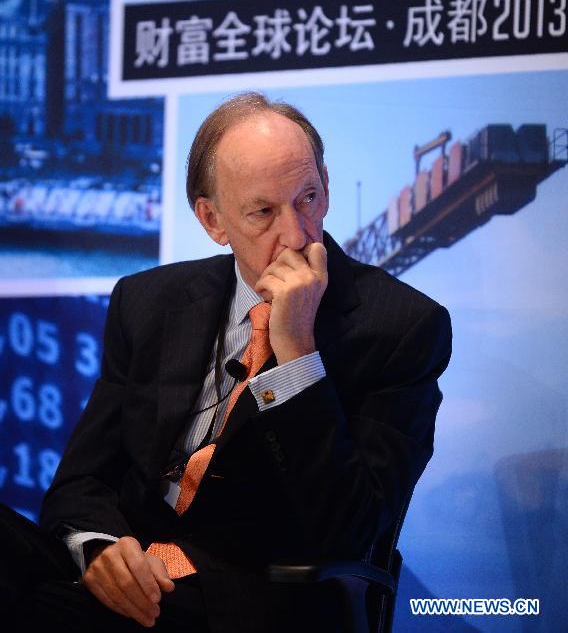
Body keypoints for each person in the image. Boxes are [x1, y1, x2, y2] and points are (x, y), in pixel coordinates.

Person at [1, 92, 451, 632]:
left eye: (307, 198)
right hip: (132, 572)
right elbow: (81, 480)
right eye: (263, 211)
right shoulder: (148, 302)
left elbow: (349, 530)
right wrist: (101, 549)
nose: (295, 234)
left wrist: (297, 355)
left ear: (327, 188)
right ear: (212, 219)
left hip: (251, 595)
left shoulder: (402, 328)